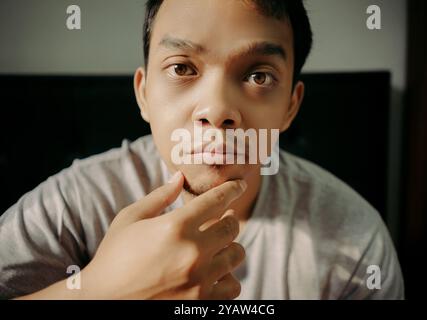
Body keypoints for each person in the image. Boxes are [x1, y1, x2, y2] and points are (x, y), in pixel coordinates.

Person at [0, 0, 404, 299]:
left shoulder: (356, 237)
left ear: (290, 107)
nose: (217, 111)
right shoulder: (69, 207)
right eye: (182, 68)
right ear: (143, 94)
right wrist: (99, 290)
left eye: (259, 75)